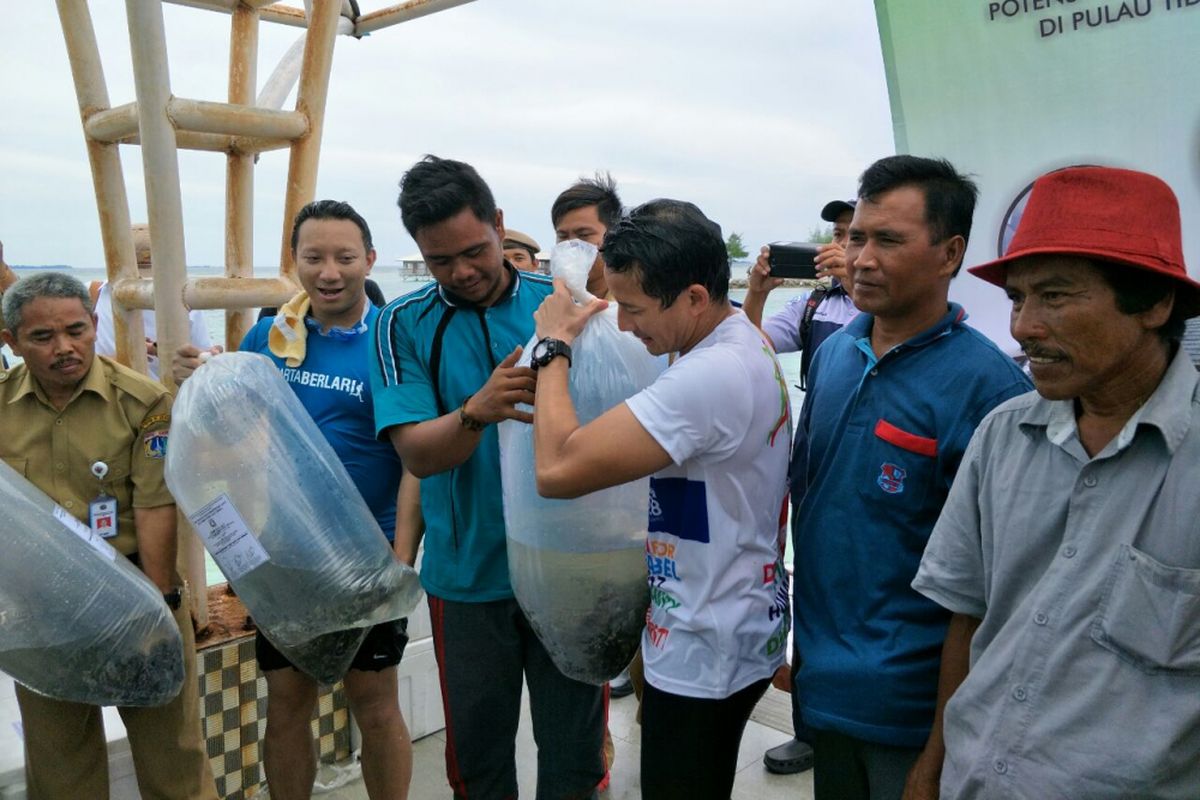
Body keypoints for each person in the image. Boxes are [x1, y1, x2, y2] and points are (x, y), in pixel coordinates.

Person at [910, 165, 1200, 799]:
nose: (1023, 327)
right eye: (1018, 298)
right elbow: (969, 617)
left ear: (1155, 301)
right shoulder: (1001, 434)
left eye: (1057, 296)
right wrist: (933, 766)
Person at [530, 198, 792, 799]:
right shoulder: (737, 342)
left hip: (707, 648)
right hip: (733, 619)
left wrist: (553, 346)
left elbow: (556, 468)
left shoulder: (711, 375)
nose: (623, 323)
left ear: (695, 298)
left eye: (634, 308)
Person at [790, 155, 1031, 800]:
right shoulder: (837, 353)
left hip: (913, 711)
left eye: (888, 241)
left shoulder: (992, 392)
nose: (862, 258)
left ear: (950, 253)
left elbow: (988, 591)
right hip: (822, 683)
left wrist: (939, 751)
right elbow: (809, 499)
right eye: (856, 237)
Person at [370, 155, 607, 799]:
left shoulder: (562, 308)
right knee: (478, 757)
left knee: (575, 752)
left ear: (500, 225)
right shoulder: (399, 323)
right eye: (440, 260)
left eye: (475, 250)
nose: (463, 271)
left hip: (564, 571)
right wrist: (477, 410)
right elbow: (417, 454)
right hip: (468, 578)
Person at [173, 200, 414, 800]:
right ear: (296, 262)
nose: (329, 272)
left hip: (369, 553)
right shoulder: (270, 335)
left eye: (344, 257)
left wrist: (401, 560)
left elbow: (418, 462)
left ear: (370, 260)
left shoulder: (392, 342)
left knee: (375, 704)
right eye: (314, 258)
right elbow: (232, 438)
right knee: (286, 702)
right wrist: (202, 378)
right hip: (285, 552)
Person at [0, 272, 218, 800]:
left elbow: (155, 509)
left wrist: (159, 609)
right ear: (10, 341)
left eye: (76, 330)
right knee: (61, 776)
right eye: (42, 338)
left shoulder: (142, 402)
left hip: (139, 601)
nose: (65, 348)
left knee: (176, 768)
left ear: (94, 324)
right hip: (43, 616)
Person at [743, 198, 862, 775]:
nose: (839, 247)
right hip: (815, 457)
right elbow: (750, 342)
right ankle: (809, 727)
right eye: (837, 236)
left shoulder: (879, 306)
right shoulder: (815, 302)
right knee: (808, 582)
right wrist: (760, 288)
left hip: (868, 459)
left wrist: (858, 286)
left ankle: (857, 725)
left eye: (854, 237)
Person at [92, 223, 212, 380]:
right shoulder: (92, 295)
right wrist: (129, 355)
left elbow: (201, 358)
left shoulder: (93, 295)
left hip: (160, 400)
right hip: (112, 399)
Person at [552, 172, 622, 298]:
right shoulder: (542, 301)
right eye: (563, 236)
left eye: (584, 235)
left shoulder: (633, 304)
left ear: (613, 236)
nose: (572, 246)